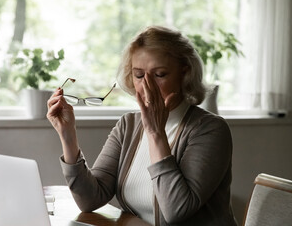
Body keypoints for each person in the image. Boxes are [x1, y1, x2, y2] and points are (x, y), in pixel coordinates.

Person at [47, 25, 237, 226]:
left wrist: (156, 132)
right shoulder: (128, 125)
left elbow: (176, 211)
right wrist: (68, 135)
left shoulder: (210, 129)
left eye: (160, 74)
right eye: (139, 75)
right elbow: (90, 199)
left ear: (185, 73)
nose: (147, 86)